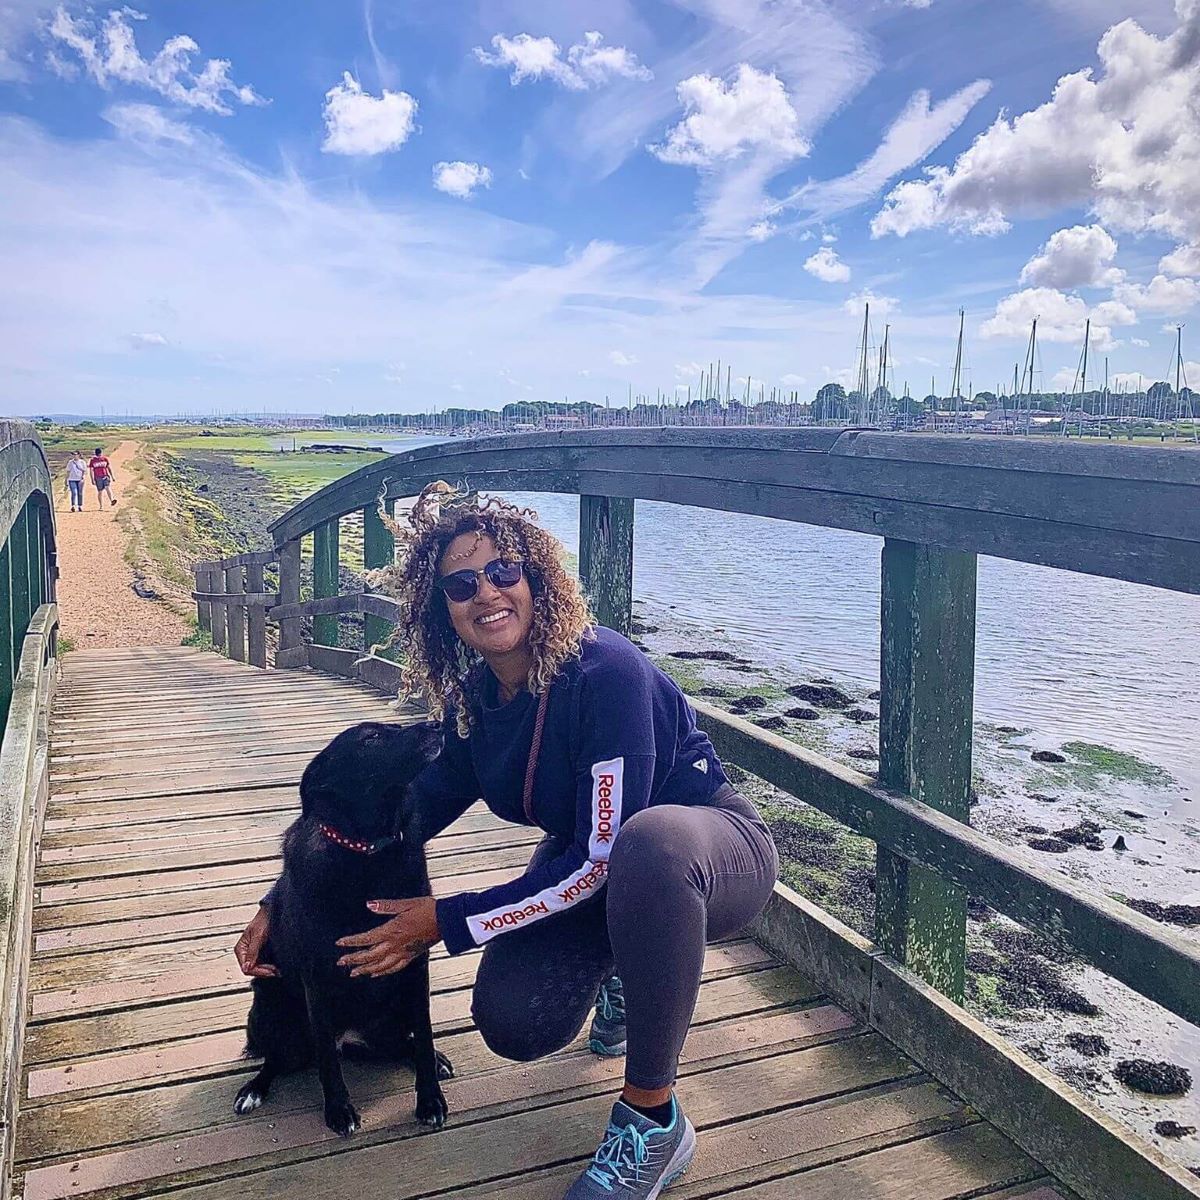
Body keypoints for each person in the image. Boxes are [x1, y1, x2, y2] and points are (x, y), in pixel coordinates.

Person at [234, 482, 778, 1199]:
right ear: (443, 610)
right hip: (599, 861)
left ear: (537, 578)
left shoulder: (603, 673)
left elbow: (604, 857)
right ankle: (629, 973)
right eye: (460, 584)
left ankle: (653, 1119)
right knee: (514, 1022)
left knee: (649, 846)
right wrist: (285, 896)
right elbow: (398, 819)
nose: (486, 591)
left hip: (705, 849)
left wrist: (446, 920)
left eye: (503, 570)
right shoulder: (475, 706)